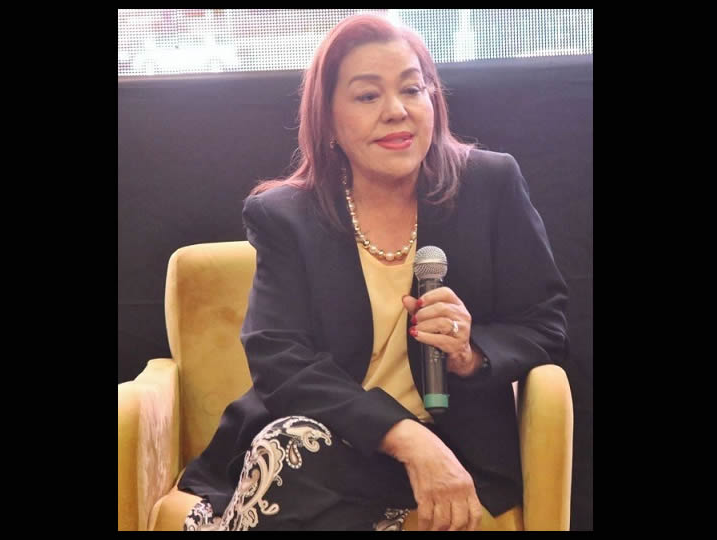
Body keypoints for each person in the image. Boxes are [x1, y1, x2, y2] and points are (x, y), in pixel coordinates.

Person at [178, 12, 568, 531]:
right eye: (367, 96)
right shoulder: (285, 215)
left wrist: (471, 353)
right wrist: (405, 437)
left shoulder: (489, 184)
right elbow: (279, 357)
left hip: (457, 446)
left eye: (412, 89)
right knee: (291, 449)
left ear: (433, 99)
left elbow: (545, 323)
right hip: (331, 442)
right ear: (328, 119)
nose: (396, 111)